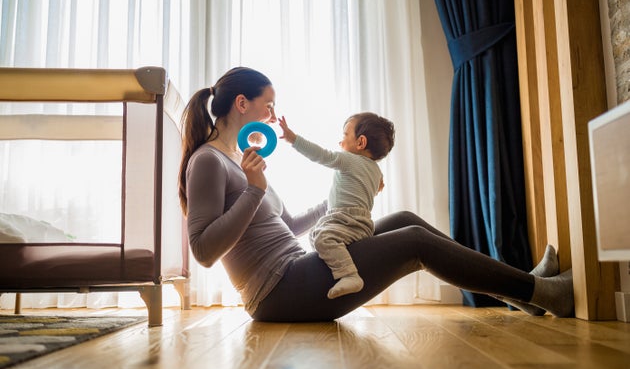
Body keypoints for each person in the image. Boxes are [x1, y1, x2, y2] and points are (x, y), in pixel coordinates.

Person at [178, 66, 574, 323]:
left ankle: (524, 291)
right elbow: (204, 251)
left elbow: (289, 227)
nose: (272, 115)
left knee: (404, 221)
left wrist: (354, 190)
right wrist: (253, 192)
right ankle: (540, 293)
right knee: (415, 243)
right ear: (242, 104)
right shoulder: (208, 161)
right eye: (268, 106)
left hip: (299, 269)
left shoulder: (239, 159)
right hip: (278, 293)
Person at [277, 113, 394, 299]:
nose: (341, 142)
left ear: (361, 143)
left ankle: (349, 275)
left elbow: (320, 155)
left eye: (345, 135)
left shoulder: (348, 160)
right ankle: (337, 268)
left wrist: (293, 139)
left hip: (345, 219)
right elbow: (372, 188)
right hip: (361, 222)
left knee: (322, 238)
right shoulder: (376, 170)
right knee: (316, 234)